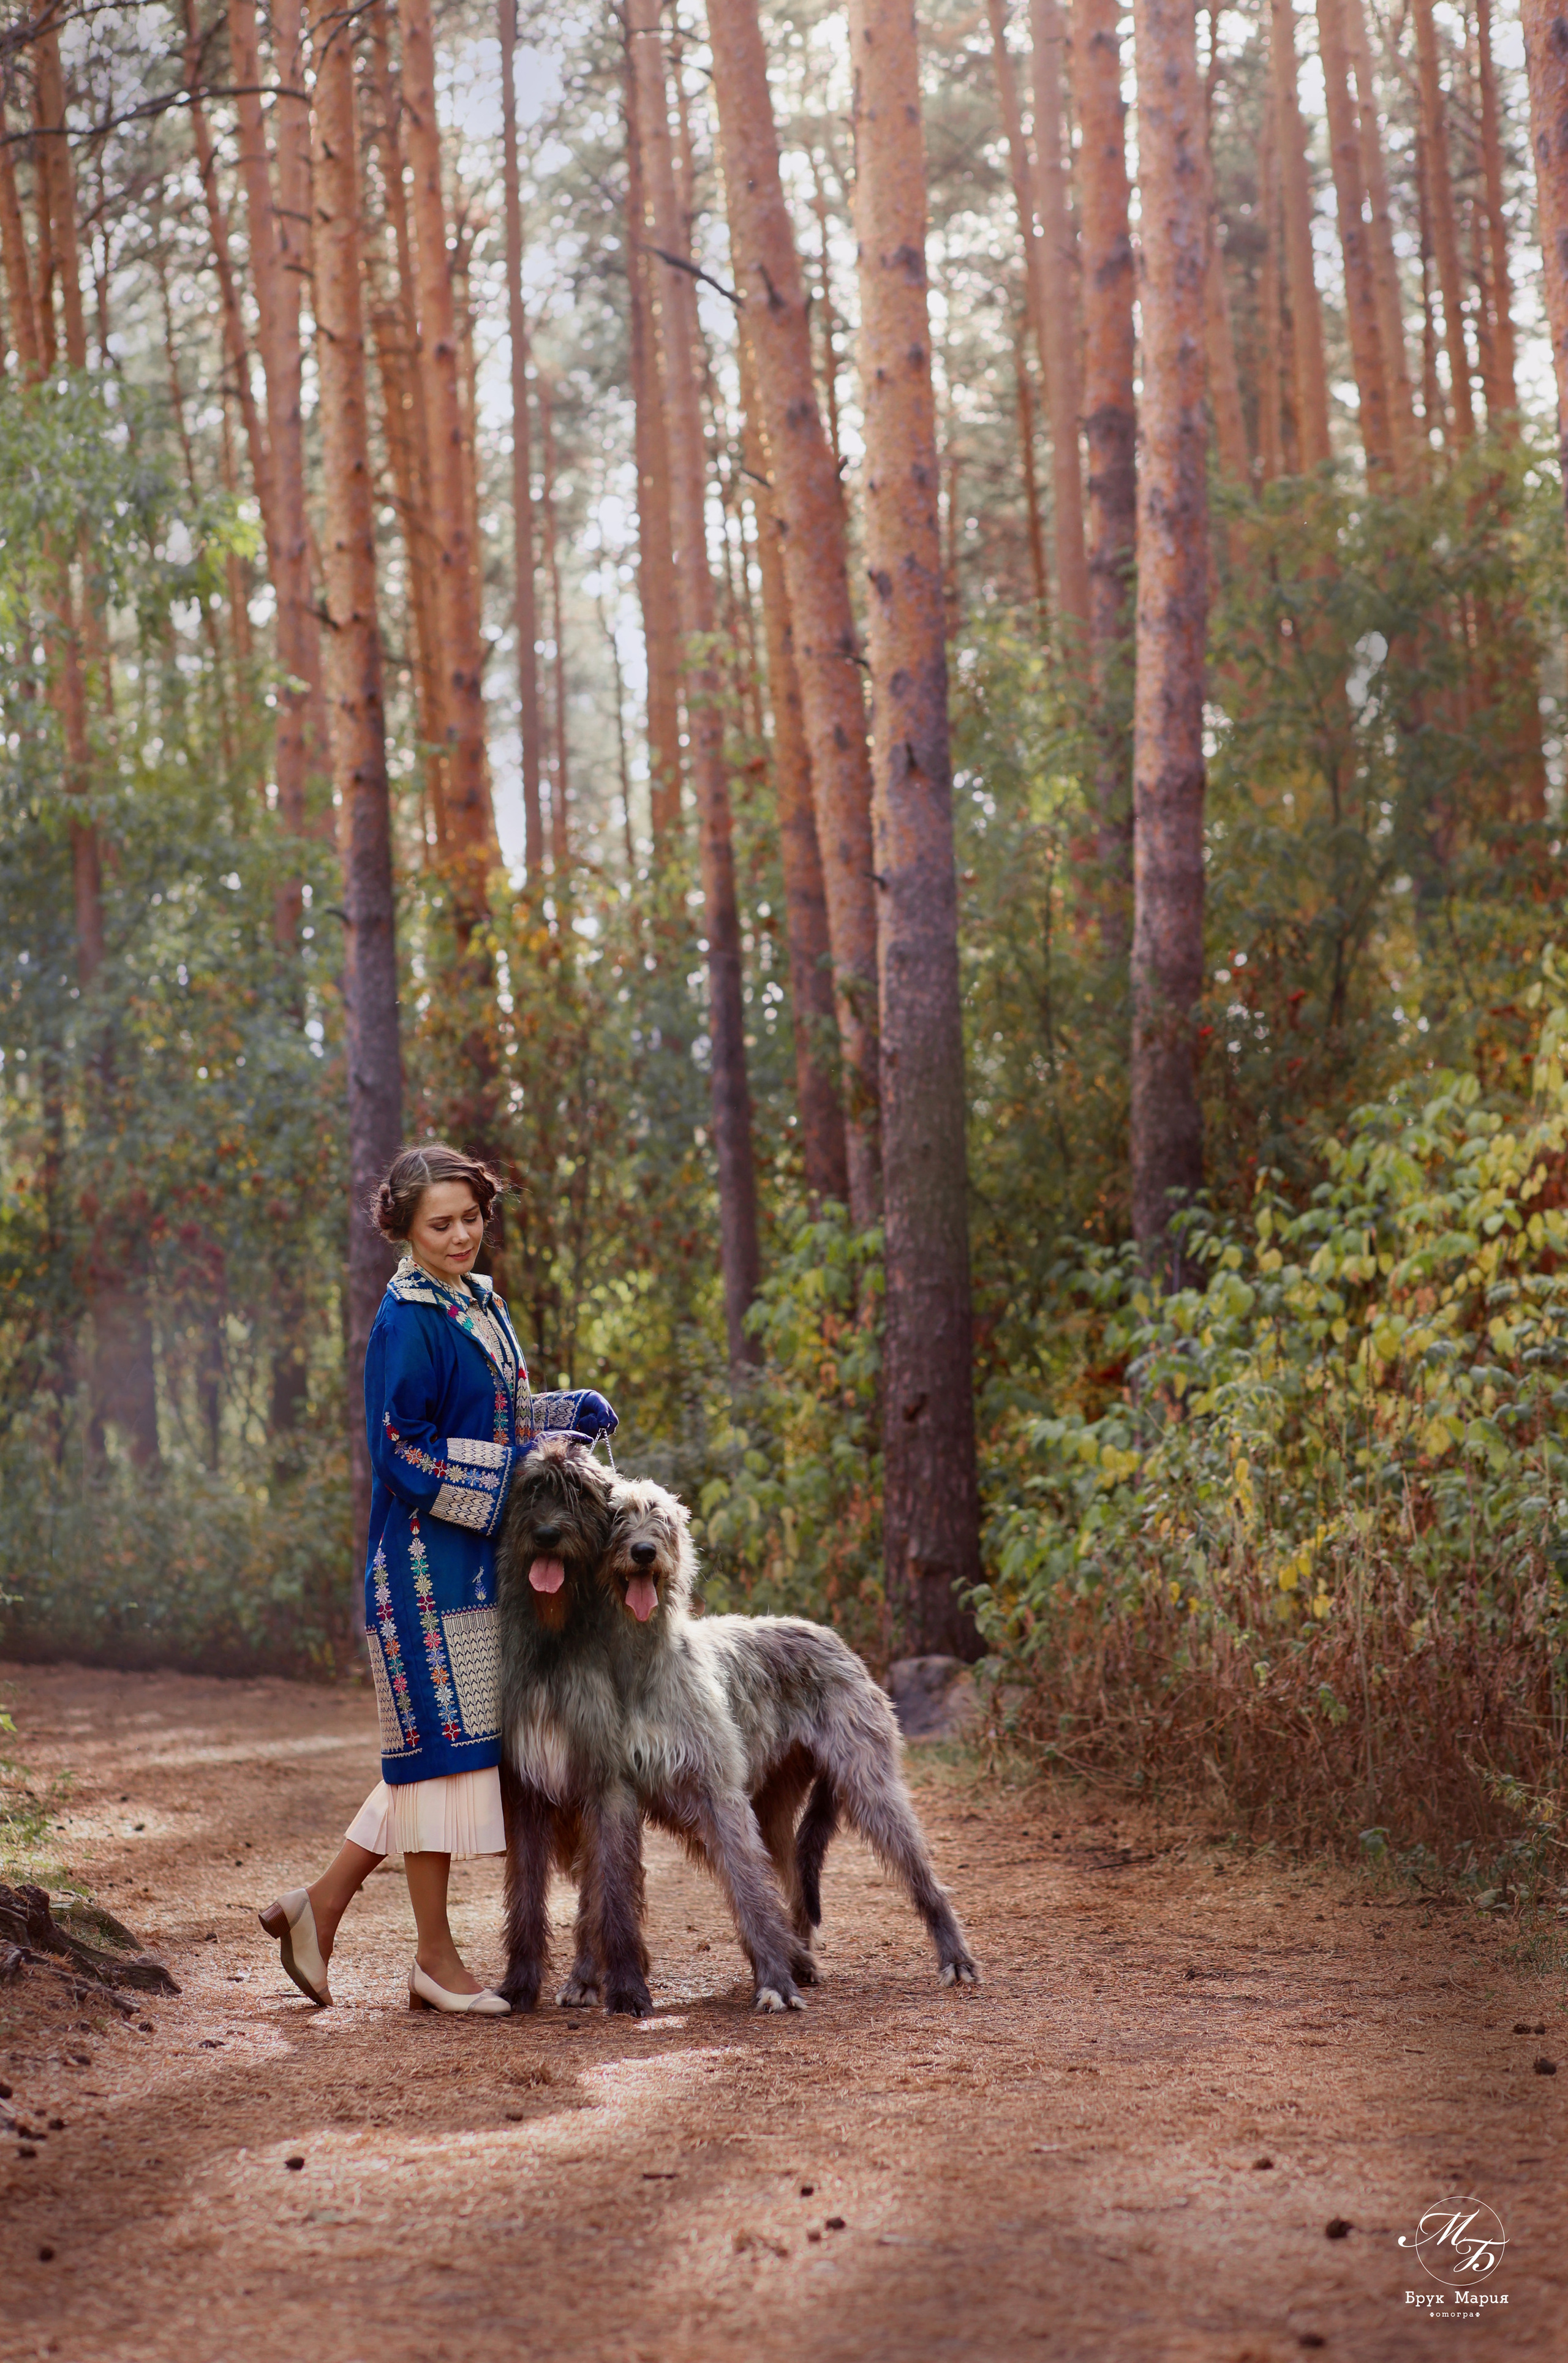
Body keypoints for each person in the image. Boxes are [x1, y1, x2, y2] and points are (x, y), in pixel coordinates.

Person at [259, 1143, 617, 2016]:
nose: (461, 1236)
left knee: (441, 1753)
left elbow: (498, 1418)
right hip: (422, 1573)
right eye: (440, 1224)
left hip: (479, 1572)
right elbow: (402, 1451)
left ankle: (321, 1904)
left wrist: (563, 1416)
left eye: (471, 1218)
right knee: (437, 1763)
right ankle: (431, 1956)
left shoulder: (477, 1303)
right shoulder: (406, 1320)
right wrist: (513, 1480)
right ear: (404, 1230)